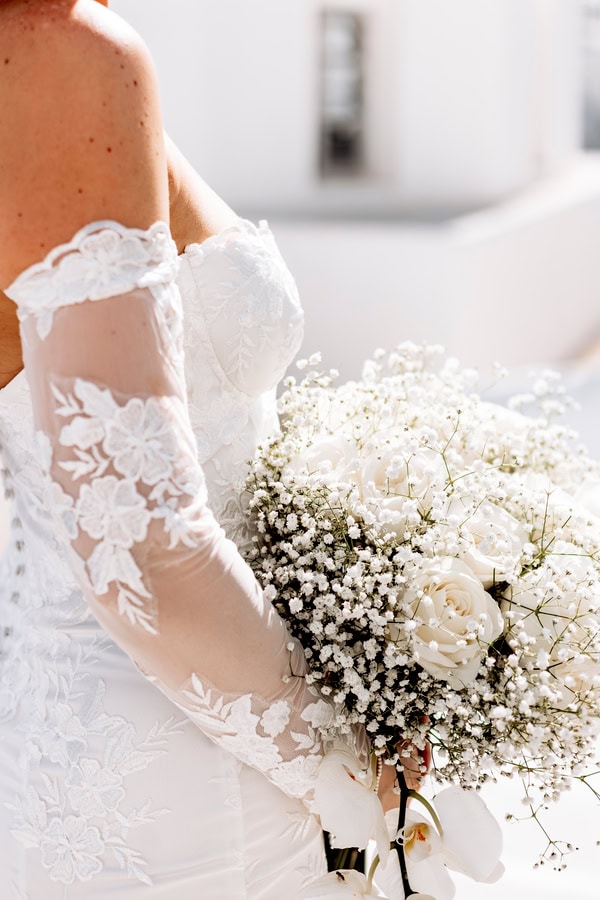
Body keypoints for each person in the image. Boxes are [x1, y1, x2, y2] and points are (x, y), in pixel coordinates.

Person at [0, 1, 415, 897]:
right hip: (201, 764)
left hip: (81, 732)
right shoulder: (62, 56)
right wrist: (362, 766)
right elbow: (144, 550)